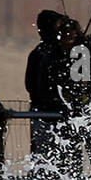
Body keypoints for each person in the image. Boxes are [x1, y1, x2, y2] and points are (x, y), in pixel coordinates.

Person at [24, 9, 64, 156]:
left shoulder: (37, 52)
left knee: (43, 158)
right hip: (46, 116)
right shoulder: (43, 54)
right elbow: (31, 86)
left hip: (41, 114)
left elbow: (29, 85)